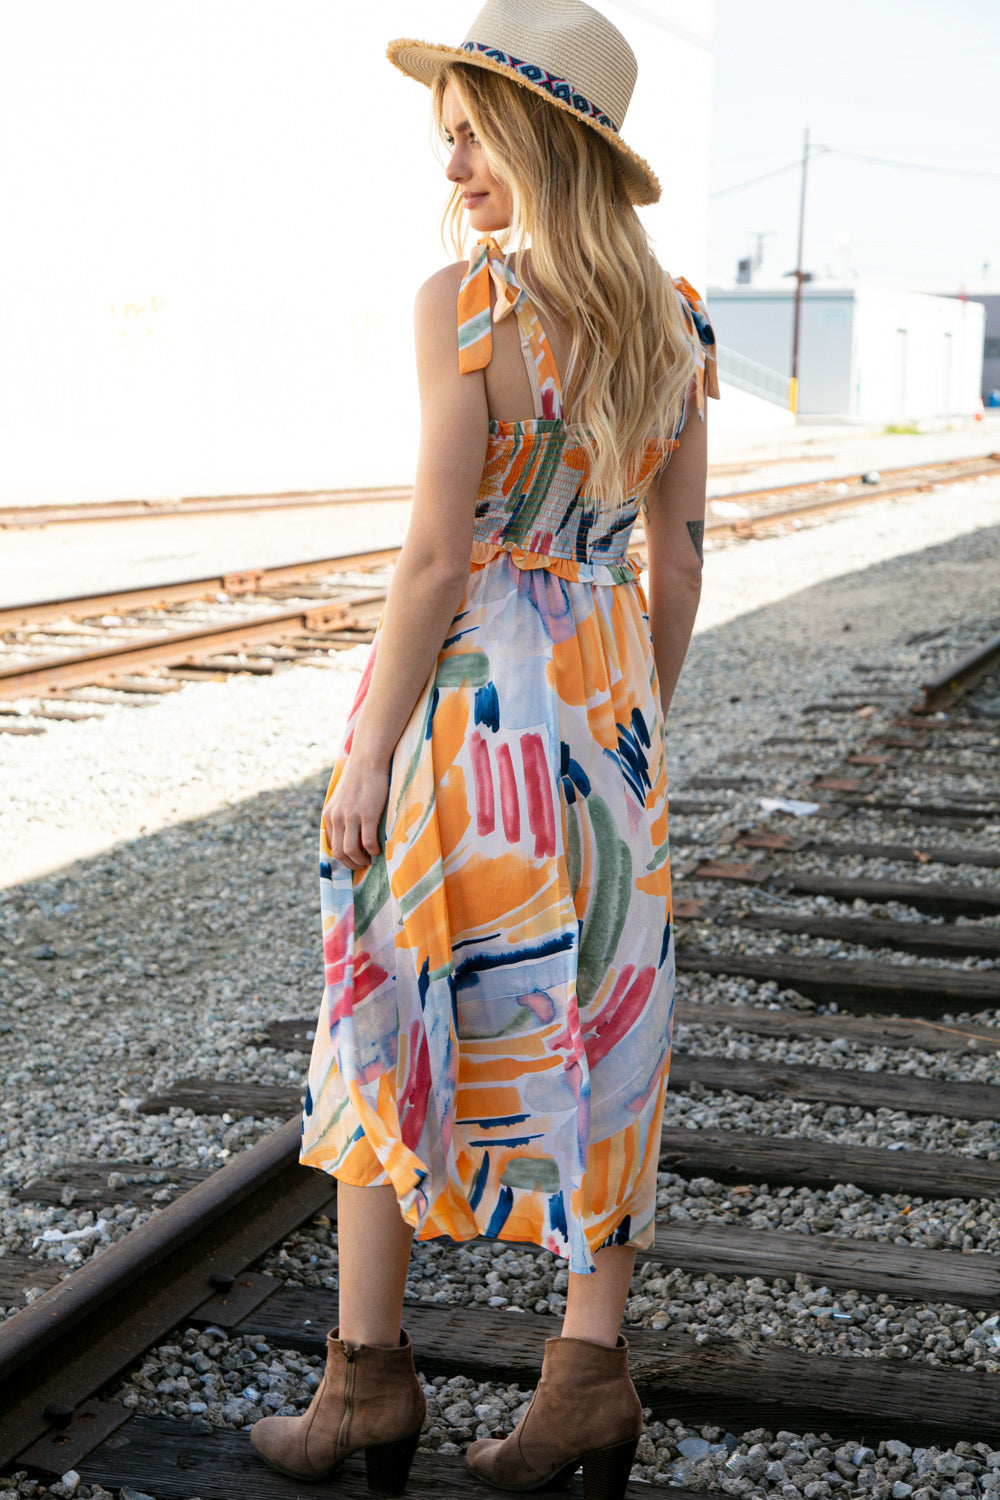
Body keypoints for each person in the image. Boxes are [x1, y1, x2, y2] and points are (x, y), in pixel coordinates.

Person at [250, 1, 718, 1494]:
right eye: (444, 135)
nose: (451, 160)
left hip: (466, 717)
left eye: (472, 131)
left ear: (544, 138)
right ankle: (587, 1377)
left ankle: (365, 1384)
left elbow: (434, 559)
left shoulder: (466, 305)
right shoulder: (679, 316)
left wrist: (369, 748)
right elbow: (683, 556)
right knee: (602, 1018)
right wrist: (635, 724)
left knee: (389, 999)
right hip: (607, 710)